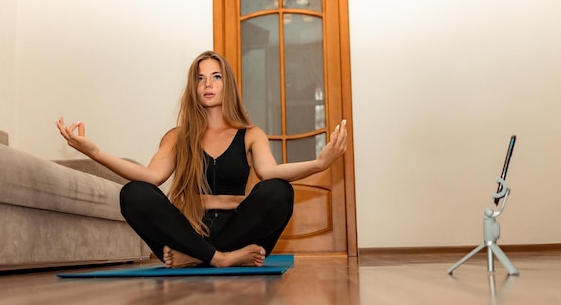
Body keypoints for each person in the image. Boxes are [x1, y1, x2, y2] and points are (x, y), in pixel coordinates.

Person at [56, 51, 347, 268]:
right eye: (200, 78)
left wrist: (319, 164)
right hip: (188, 231)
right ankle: (221, 258)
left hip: (241, 230)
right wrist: (95, 153)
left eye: (216, 77)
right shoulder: (178, 135)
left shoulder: (249, 134)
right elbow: (151, 177)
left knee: (279, 190)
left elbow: (269, 171)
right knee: (133, 192)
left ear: (226, 85)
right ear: (194, 88)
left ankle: (196, 258)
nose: (208, 84)